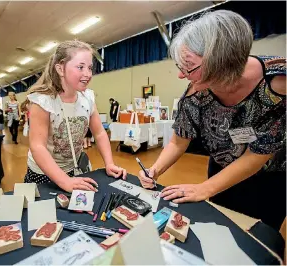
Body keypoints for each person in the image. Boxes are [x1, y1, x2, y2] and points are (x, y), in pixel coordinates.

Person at [138, 10, 286, 230]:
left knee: (258, 238)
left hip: (267, 179)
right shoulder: (196, 92)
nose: (182, 75)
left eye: (189, 67)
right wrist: (155, 169)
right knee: (220, 228)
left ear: (221, 60)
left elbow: (258, 155)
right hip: (219, 171)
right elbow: (178, 141)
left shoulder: (278, 82)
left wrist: (205, 188)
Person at [24, 40, 127, 192]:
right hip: (44, 173)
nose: (87, 74)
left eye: (90, 68)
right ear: (60, 68)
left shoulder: (88, 98)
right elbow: (37, 146)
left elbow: (99, 133)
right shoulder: (43, 100)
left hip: (74, 168)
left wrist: (109, 163)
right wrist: (64, 181)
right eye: (80, 67)